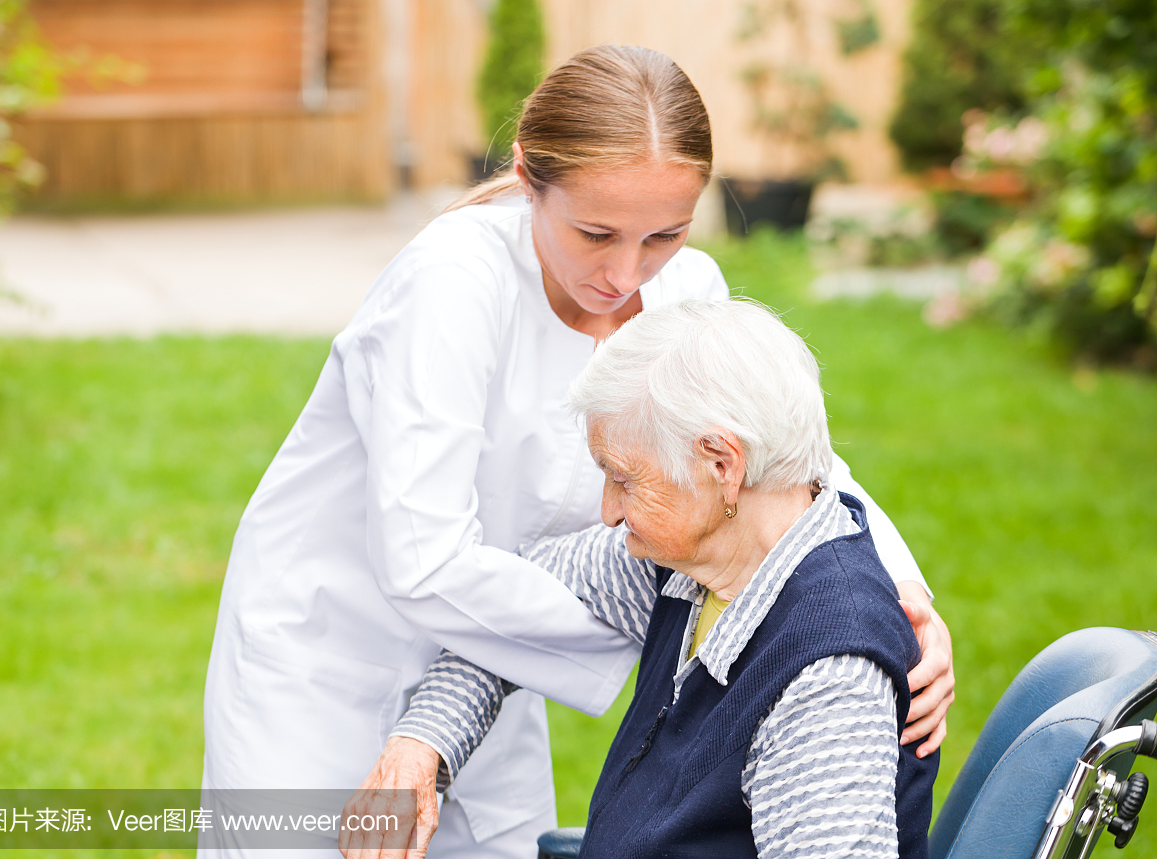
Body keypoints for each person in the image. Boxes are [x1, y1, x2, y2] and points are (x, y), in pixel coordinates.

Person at [201, 45, 952, 859]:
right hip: (328, 652)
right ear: (527, 176)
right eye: (595, 232)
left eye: (664, 233)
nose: (625, 273)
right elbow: (422, 561)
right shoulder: (452, 283)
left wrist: (900, 599)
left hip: (492, 643)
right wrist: (674, 607)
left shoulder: (685, 291)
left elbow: (793, 466)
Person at [349, 300, 939, 859]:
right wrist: (420, 746)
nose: (608, 510)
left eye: (624, 479)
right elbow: (500, 614)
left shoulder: (826, 678)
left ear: (721, 466)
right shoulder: (687, 564)